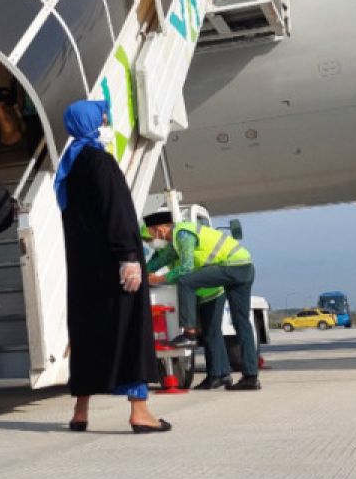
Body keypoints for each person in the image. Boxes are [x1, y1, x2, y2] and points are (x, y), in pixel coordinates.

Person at [54, 101, 169, 434]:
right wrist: (129, 258)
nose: (106, 119)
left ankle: (81, 410)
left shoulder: (70, 166)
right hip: (113, 265)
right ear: (91, 122)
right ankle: (140, 411)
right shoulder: (99, 162)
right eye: (101, 116)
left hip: (84, 270)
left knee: (88, 335)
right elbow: (117, 212)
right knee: (130, 331)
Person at [143, 211, 260, 391]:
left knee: (186, 280)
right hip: (243, 267)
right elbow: (160, 261)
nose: (151, 239)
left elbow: (187, 268)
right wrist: (141, 273)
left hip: (232, 267)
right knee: (240, 323)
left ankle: (188, 333)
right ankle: (247, 377)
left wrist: (159, 280)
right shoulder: (173, 244)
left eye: (150, 234)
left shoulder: (182, 234)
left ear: (159, 228)